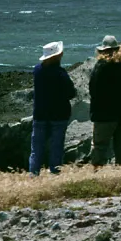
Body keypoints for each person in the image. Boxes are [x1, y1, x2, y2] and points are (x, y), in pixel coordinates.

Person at [88, 35, 121, 166]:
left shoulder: (101, 67)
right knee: (119, 144)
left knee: (100, 146)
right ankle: (120, 168)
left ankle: (98, 171)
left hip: (104, 114)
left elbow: (93, 89)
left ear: (102, 51)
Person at [30, 41, 76, 176]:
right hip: (59, 114)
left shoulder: (37, 70)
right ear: (57, 56)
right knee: (56, 145)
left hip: (40, 113)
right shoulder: (60, 73)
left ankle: (33, 173)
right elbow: (71, 93)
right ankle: (54, 171)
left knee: (37, 147)